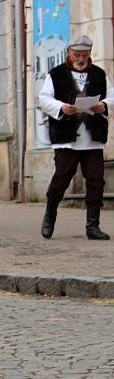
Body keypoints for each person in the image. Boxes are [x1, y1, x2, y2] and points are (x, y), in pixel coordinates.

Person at [38, 35, 113, 240]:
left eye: (84, 55)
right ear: (69, 53)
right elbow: (44, 99)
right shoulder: (56, 74)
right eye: (76, 54)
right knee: (61, 179)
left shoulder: (99, 74)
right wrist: (62, 107)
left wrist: (103, 105)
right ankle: (49, 215)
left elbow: (111, 95)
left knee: (96, 180)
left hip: (92, 137)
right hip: (66, 137)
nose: (80, 58)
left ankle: (92, 226)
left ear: (89, 54)